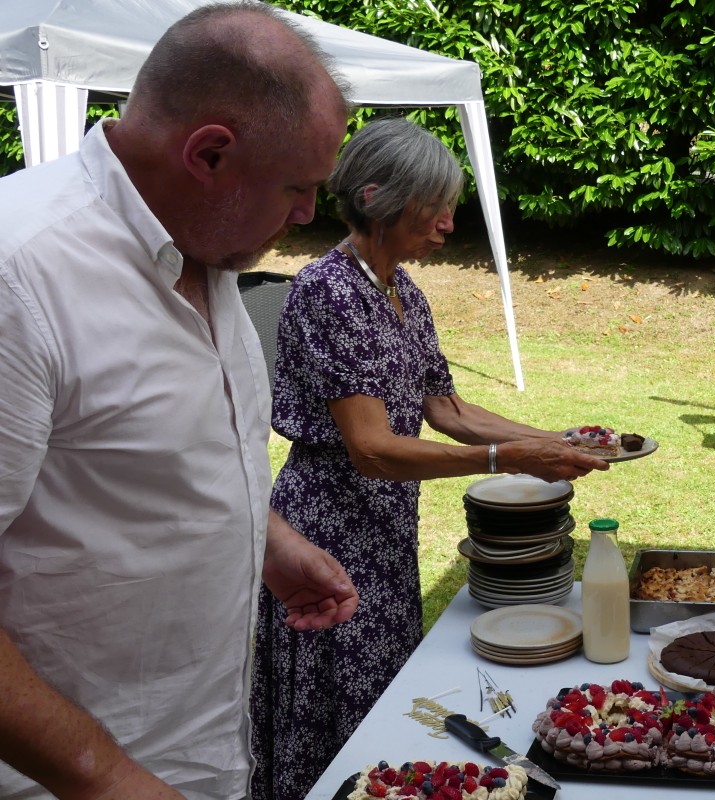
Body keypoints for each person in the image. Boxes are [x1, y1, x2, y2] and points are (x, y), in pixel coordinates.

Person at [0, 4, 360, 799]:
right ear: (210, 154)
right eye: (297, 188)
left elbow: (149, 457)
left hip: (203, 758)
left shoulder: (208, 245)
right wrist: (101, 776)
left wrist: (263, 539)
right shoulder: (21, 272)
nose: (307, 216)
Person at [249, 117, 609, 800]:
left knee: (385, 705)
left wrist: (559, 443)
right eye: (434, 205)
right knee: (335, 716)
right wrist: (507, 458)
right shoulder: (327, 291)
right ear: (378, 200)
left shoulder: (402, 291)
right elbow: (373, 448)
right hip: (326, 531)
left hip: (383, 532)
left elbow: (447, 410)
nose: (448, 222)